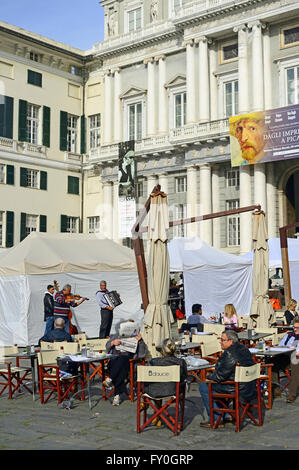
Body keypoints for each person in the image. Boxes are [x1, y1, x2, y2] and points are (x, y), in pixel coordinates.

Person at [199, 329, 256, 428]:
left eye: (222, 340)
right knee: (214, 384)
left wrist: (208, 377)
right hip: (249, 385)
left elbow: (220, 376)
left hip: (236, 387)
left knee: (204, 386)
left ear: (230, 341)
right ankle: (226, 414)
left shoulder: (229, 353)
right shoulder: (244, 348)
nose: (220, 342)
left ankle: (217, 418)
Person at [144, 338, 188, 426]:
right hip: (173, 391)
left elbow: (146, 375)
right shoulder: (181, 362)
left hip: (153, 392)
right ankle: (159, 415)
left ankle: (156, 413)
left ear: (163, 350)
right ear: (174, 349)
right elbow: (184, 377)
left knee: (156, 384)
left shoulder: (153, 362)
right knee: (175, 384)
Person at [104, 320, 147, 406]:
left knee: (122, 360)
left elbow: (142, 354)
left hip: (129, 362)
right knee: (120, 366)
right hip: (114, 361)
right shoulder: (116, 335)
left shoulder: (137, 337)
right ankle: (117, 393)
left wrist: (140, 341)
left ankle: (113, 385)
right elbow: (107, 346)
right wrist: (112, 343)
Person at [268, 316, 299, 400]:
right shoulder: (289, 335)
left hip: (296, 357)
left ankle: (291, 394)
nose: (295, 329)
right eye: (294, 327)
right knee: (271, 362)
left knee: (295, 364)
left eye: (297, 328)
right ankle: (275, 390)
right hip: (285, 356)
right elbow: (281, 345)